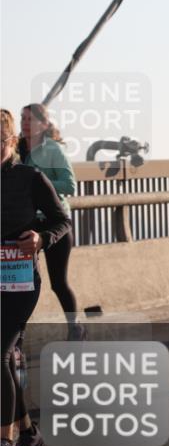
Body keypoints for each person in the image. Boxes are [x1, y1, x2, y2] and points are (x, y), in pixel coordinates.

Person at [2, 108, 72, 446]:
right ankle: (29, 433)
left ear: (13, 142)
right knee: (8, 360)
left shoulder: (30, 176)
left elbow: (63, 219)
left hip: (19, 282)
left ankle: (7, 444)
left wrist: (41, 238)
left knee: (1, 354)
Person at [17, 104, 82, 339]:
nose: (24, 123)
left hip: (55, 224)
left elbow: (70, 185)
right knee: (22, 284)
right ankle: (17, 336)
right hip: (27, 224)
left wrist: (40, 185)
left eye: (30, 119)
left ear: (43, 125)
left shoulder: (53, 150)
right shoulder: (16, 150)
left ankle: (75, 327)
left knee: (58, 283)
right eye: (22, 118)